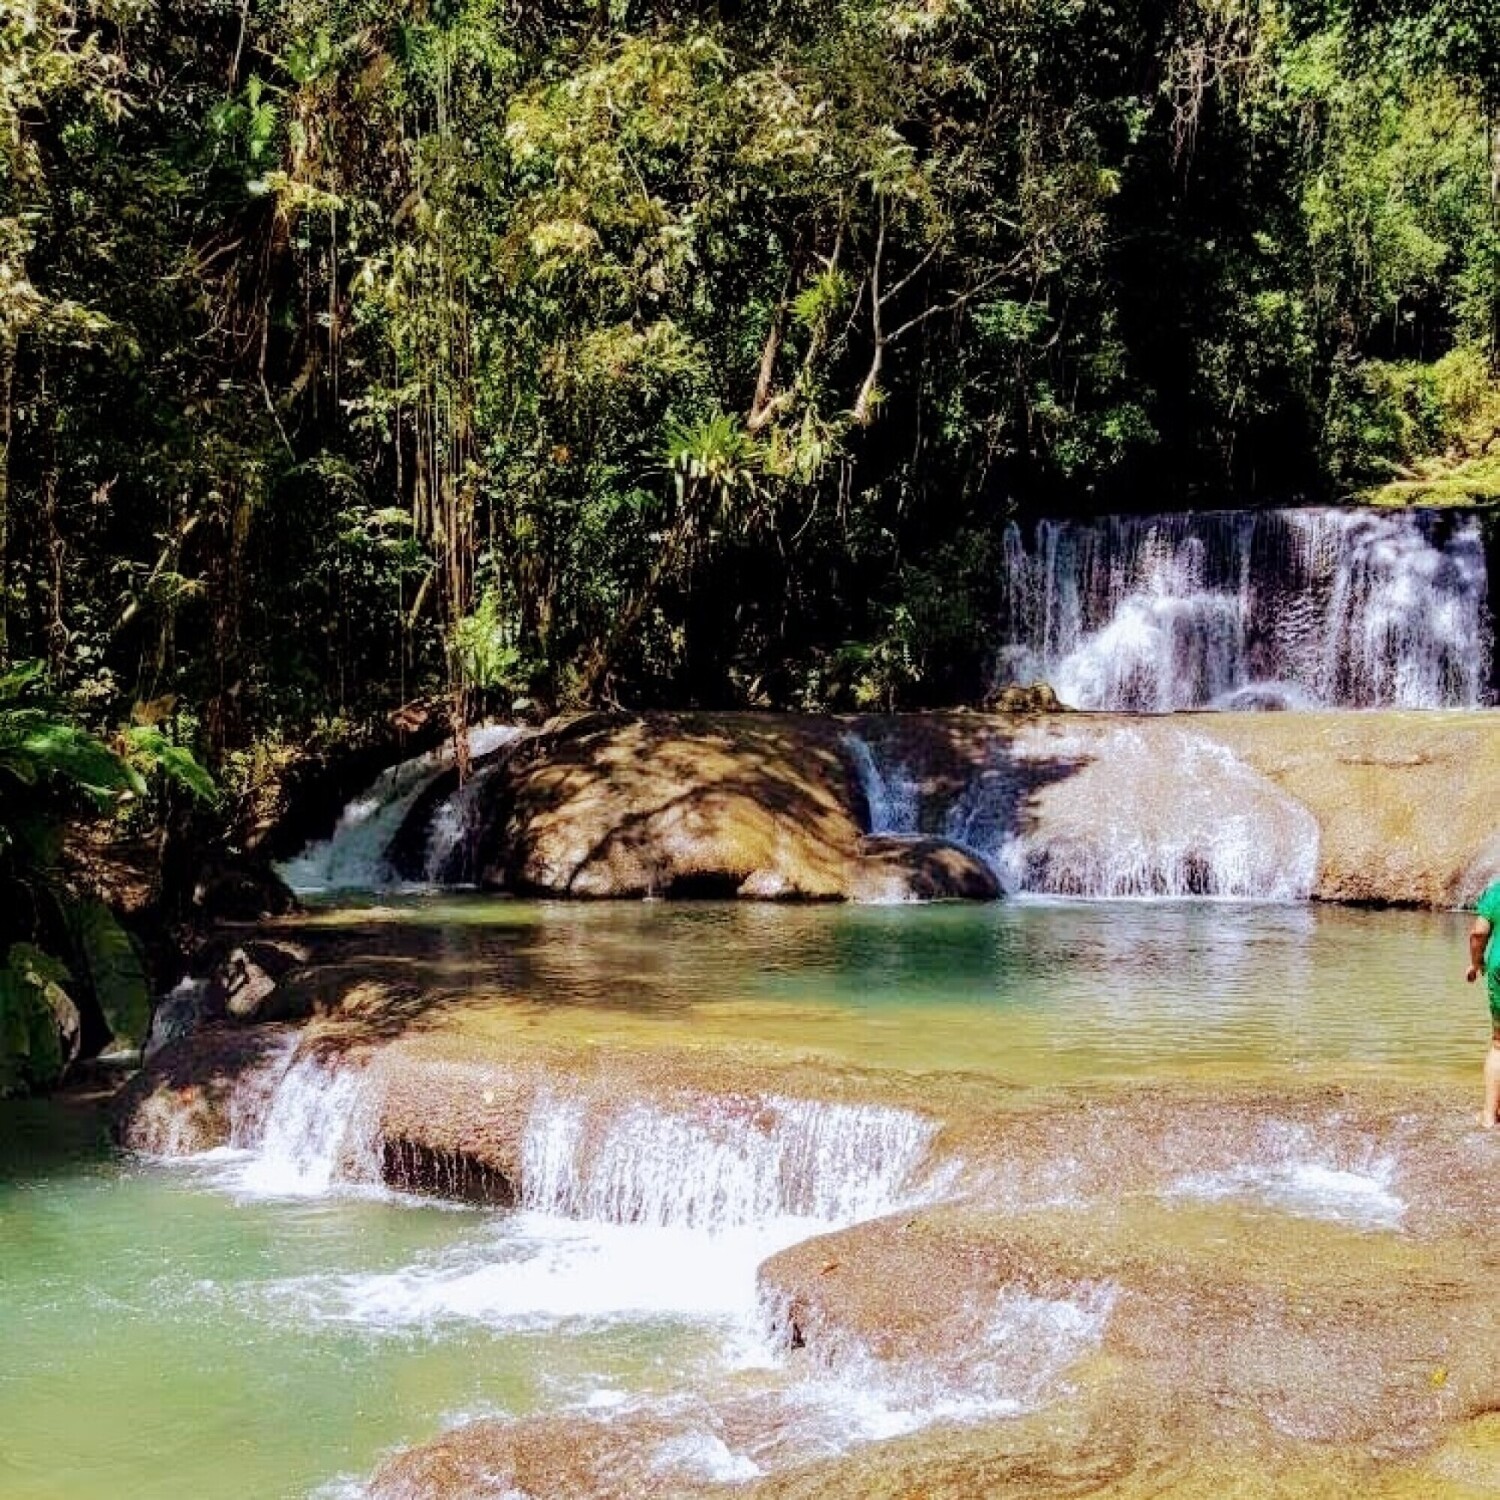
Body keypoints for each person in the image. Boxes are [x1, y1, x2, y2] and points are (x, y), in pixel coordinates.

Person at [1466, 878, 1500, 1127]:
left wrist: (1476, 964)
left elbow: (1478, 933)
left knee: (1499, 1045)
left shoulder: (1496, 893)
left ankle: (1489, 1115)